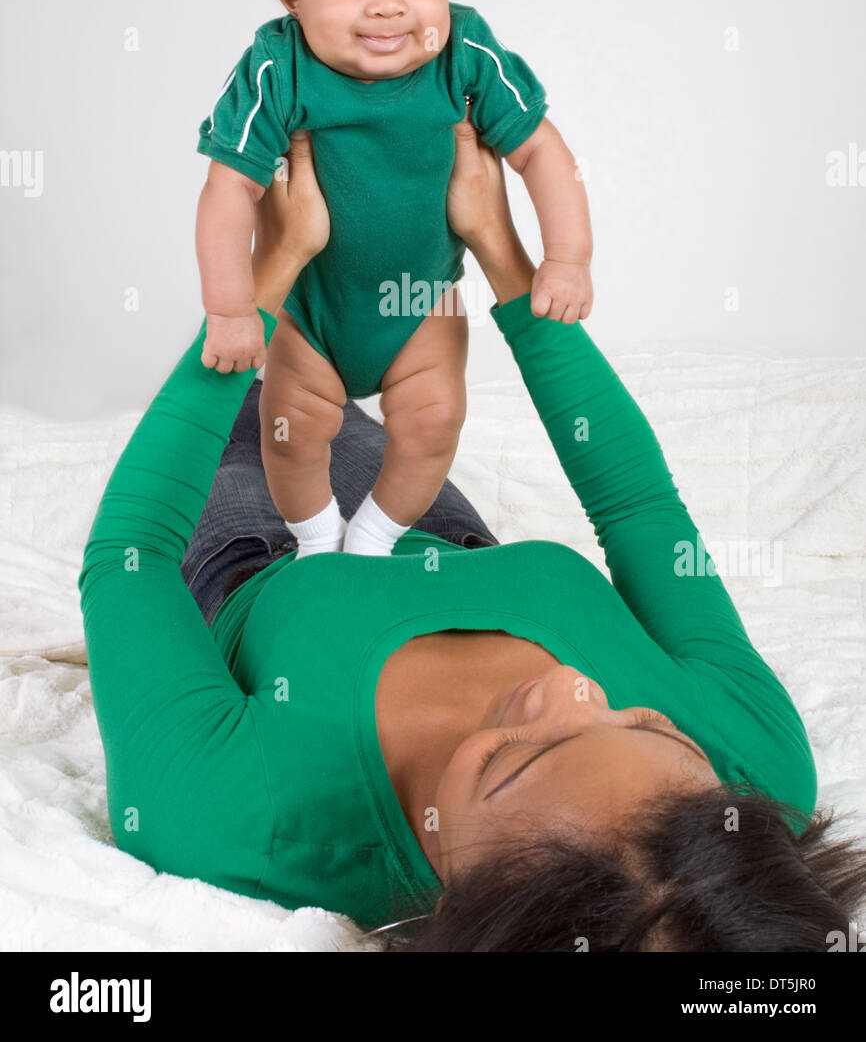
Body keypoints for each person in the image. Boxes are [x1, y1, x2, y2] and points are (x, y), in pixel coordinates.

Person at [78, 117, 866, 950]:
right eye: (648, 723)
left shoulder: (235, 819)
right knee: (326, 386)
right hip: (433, 530)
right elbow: (641, 511)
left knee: (241, 390)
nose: (571, 689)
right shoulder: (759, 774)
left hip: (257, 545)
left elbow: (131, 553)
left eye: (510, 761)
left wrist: (266, 278)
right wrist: (501, 246)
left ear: (459, 901)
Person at [193, 0, 593, 558]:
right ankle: (317, 541)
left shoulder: (466, 52)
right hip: (311, 312)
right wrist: (230, 309)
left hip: (423, 303)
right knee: (290, 431)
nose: (387, 3)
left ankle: (373, 538)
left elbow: (541, 152)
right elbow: (230, 187)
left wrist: (566, 258)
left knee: (436, 422)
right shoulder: (275, 66)